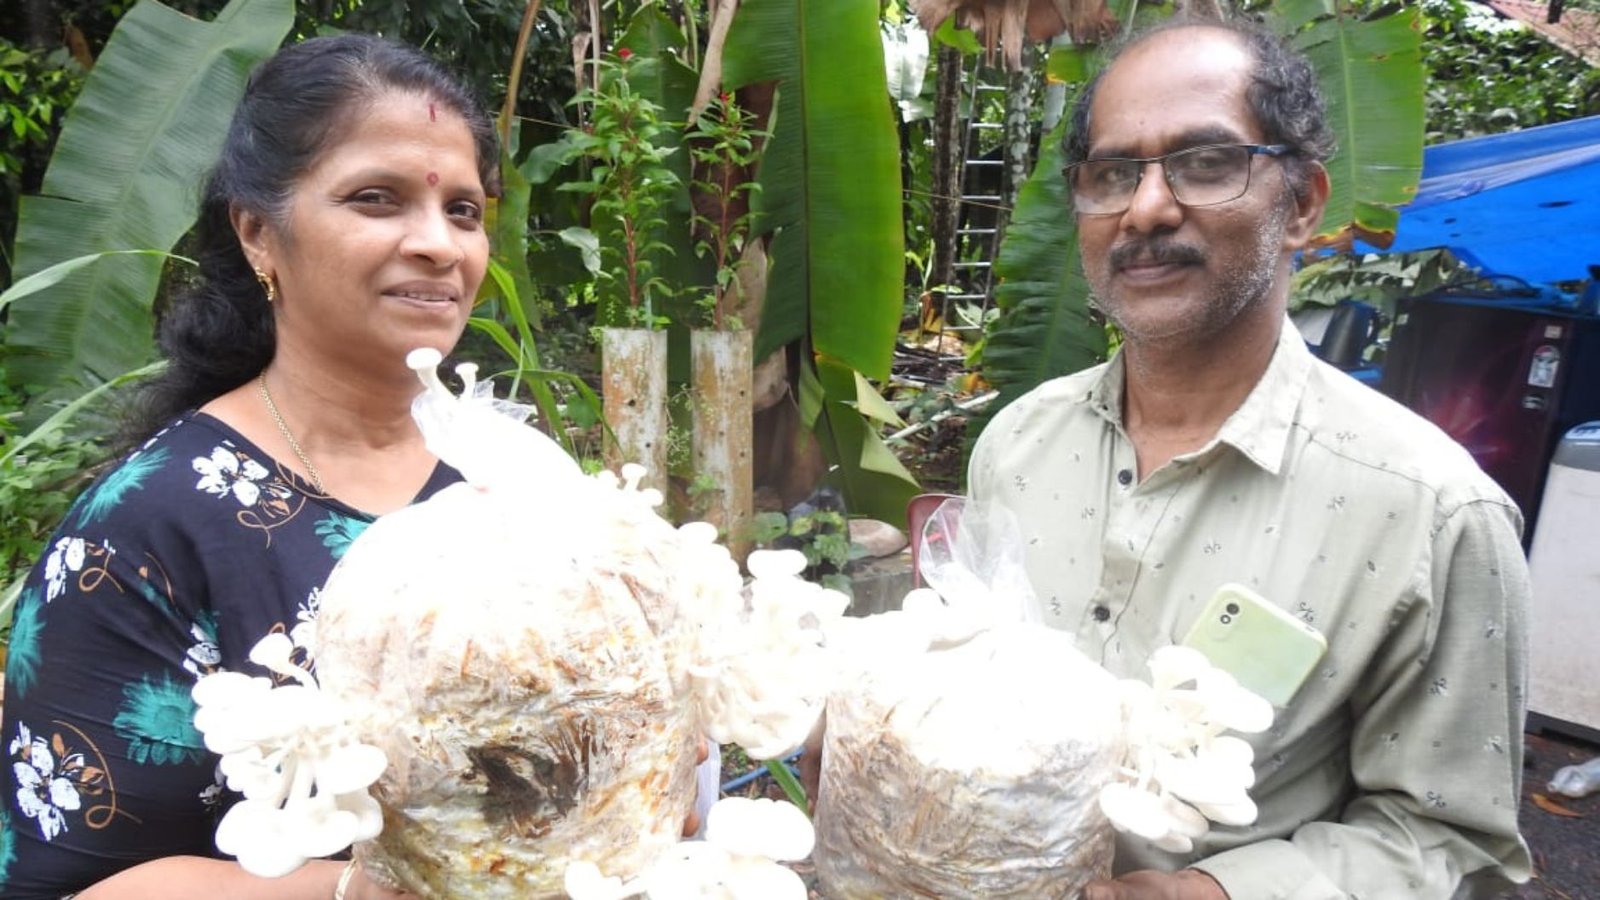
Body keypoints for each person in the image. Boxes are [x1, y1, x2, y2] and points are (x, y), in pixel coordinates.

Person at [965, 17, 1532, 900]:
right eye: (1113, 174)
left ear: (1303, 202)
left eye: (1205, 162)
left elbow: (1451, 840)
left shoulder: (1433, 511)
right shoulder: (1017, 444)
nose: (1146, 209)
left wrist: (1217, 893)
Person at [0, 33, 497, 898]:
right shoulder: (149, 526)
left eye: (463, 210)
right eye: (377, 200)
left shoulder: (508, 486)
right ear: (259, 233)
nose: (439, 245)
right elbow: (79, 887)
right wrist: (402, 886)